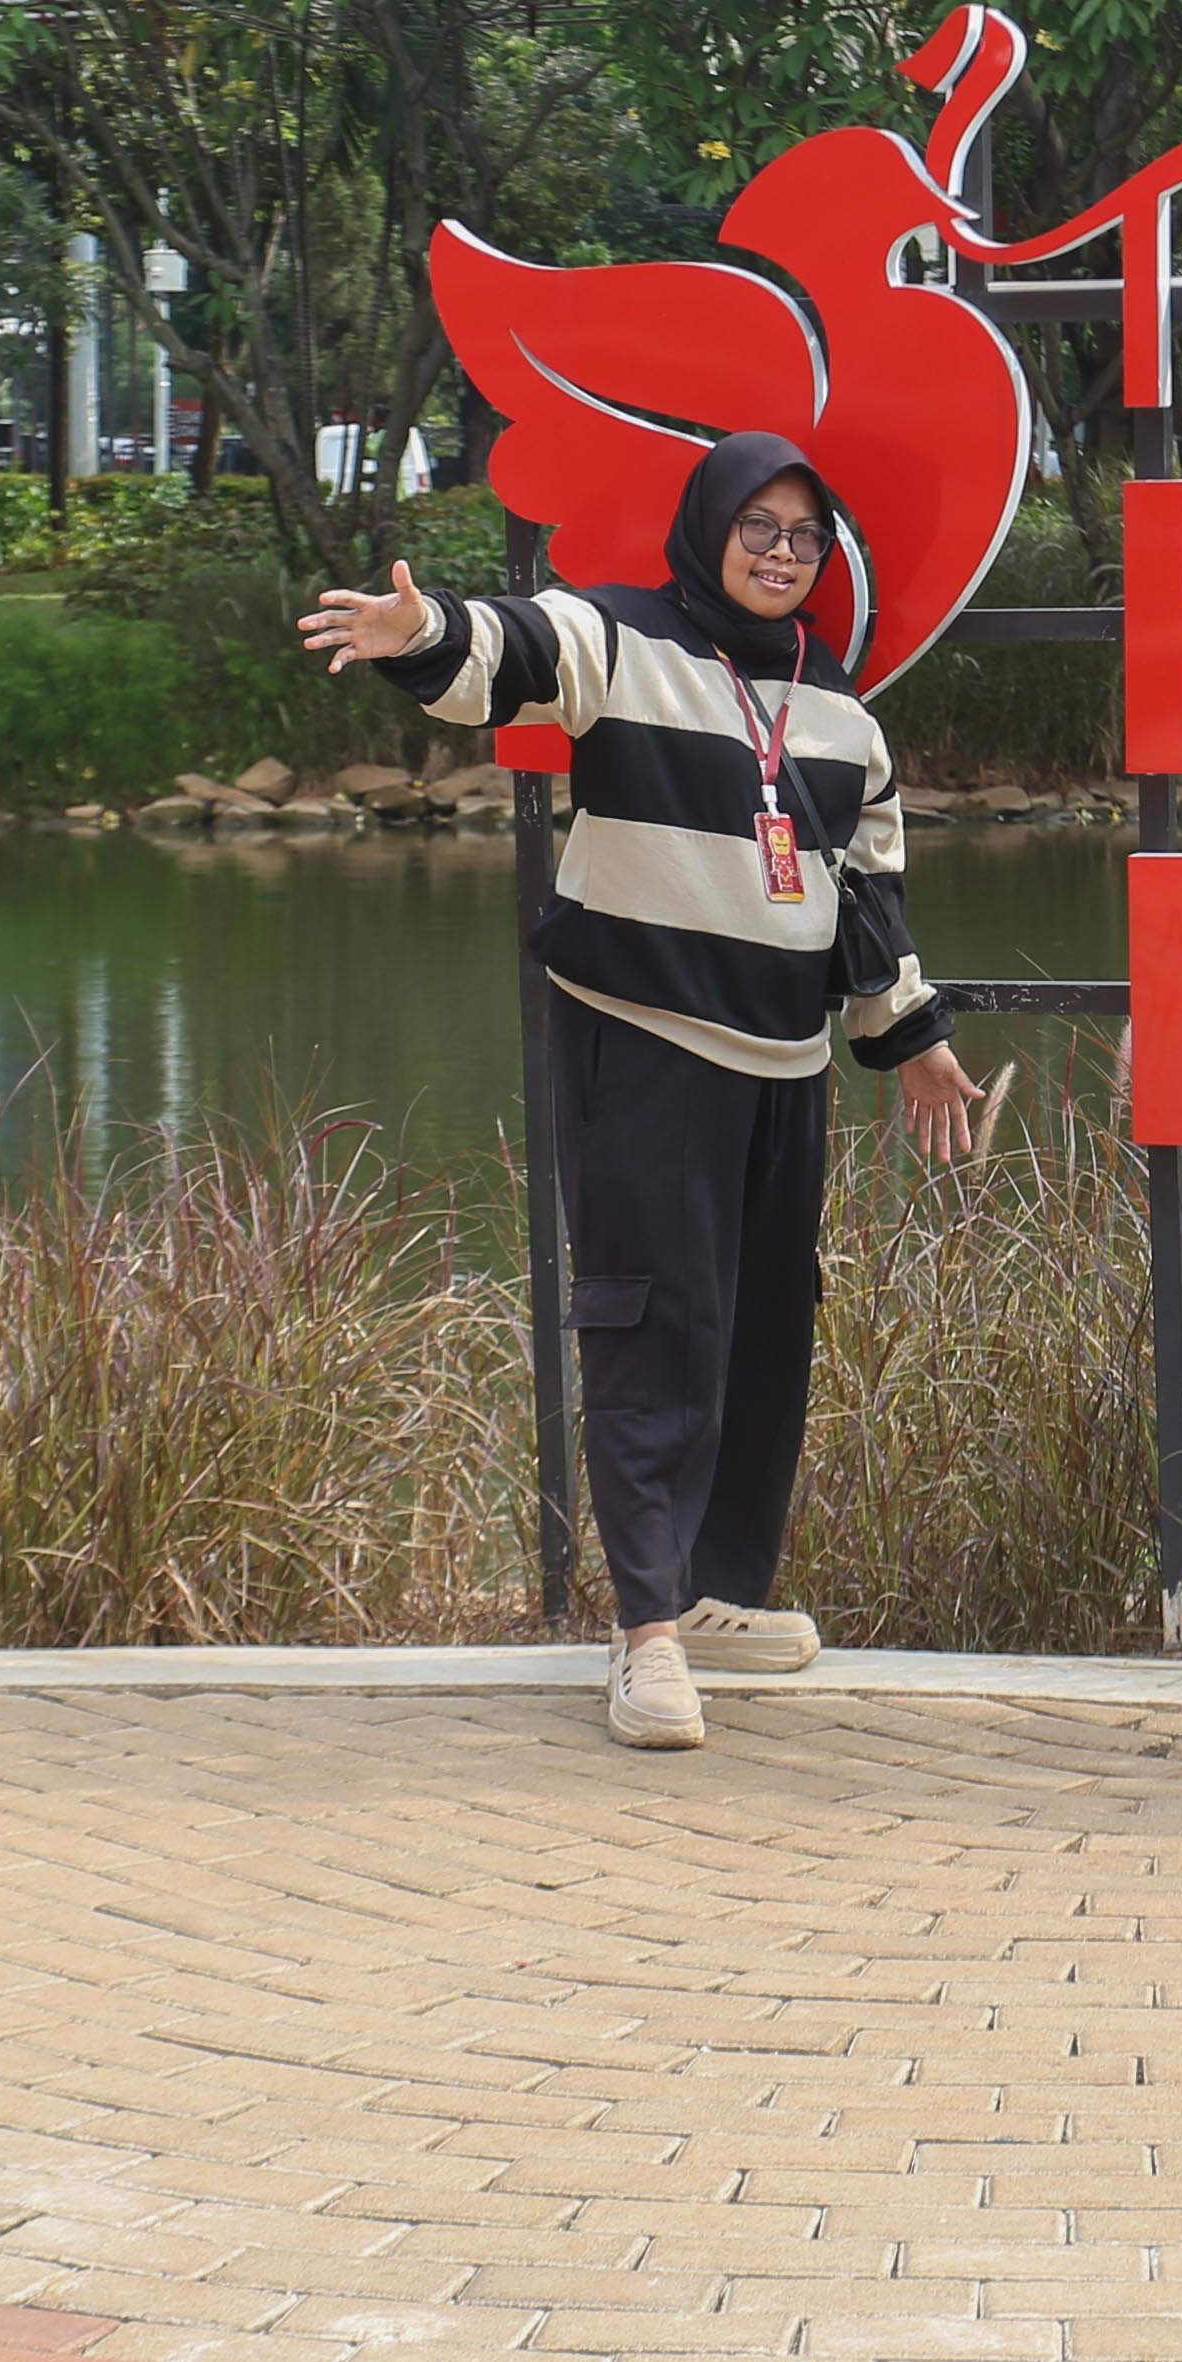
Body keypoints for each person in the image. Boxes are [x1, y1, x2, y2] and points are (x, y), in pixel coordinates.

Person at [300, 433, 979, 1753]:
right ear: (709, 526)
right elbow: (512, 653)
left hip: (782, 1065)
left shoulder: (840, 715)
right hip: (646, 1042)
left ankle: (714, 1588)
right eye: (758, 527)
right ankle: (645, 1630)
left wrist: (910, 1036)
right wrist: (416, 630)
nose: (779, 554)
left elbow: (867, 894)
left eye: (802, 536)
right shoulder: (624, 642)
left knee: (763, 1334)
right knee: (648, 1327)